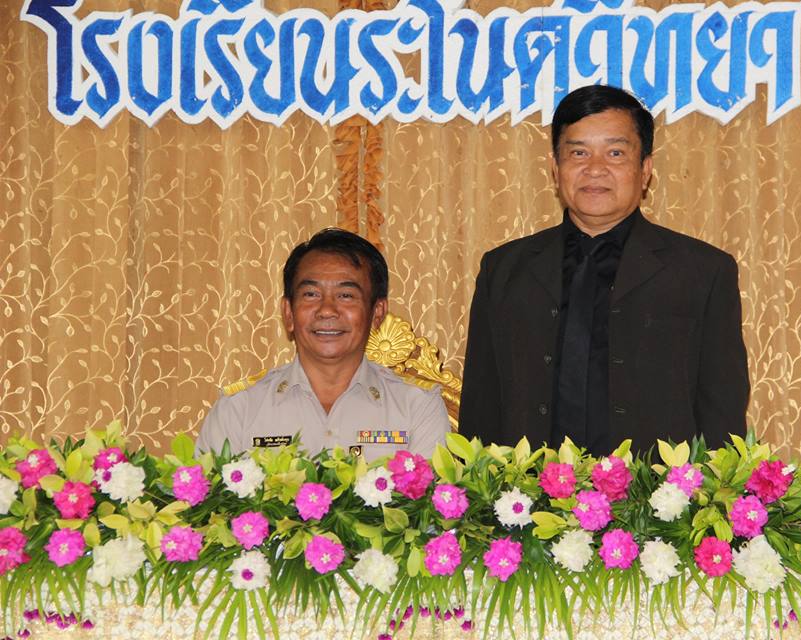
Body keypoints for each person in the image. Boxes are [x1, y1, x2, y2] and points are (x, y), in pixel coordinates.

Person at [458, 84, 749, 457]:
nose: (595, 169)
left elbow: (721, 412)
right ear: (555, 168)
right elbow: (481, 408)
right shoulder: (503, 270)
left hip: (656, 491)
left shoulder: (702, 272)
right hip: (527, 488)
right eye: (578, 152)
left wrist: (714, 487)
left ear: (645, 170)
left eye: (615, 153)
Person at [196, 229, 450, 459]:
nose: (327, 310)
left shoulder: (417, 406)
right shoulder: (238, 409)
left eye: (346, 295)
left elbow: (427, 495)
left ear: (377, 313)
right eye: (311, 294)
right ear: (288, 312)